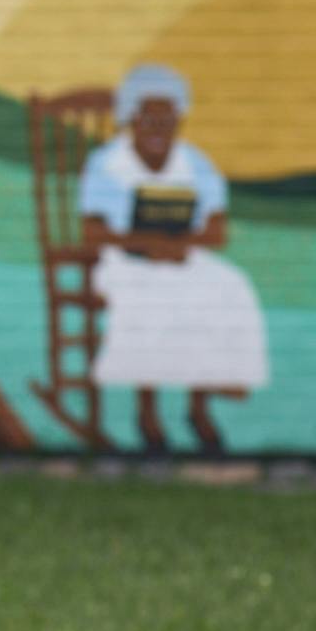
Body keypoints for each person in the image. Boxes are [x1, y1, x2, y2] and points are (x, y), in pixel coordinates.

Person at [75, 61, 266, 453]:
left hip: (181, 258)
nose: (159, 131)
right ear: (133, 120)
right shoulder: (106, 165)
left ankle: (200, 403)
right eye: (149, 120)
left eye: (168, 121)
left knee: (226, 285)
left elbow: (217, 229)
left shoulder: (195, 164)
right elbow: (93, 231)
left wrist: (179, 245)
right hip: (124, 263)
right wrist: (145, 242)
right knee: (153, 296)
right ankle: (148, 412)